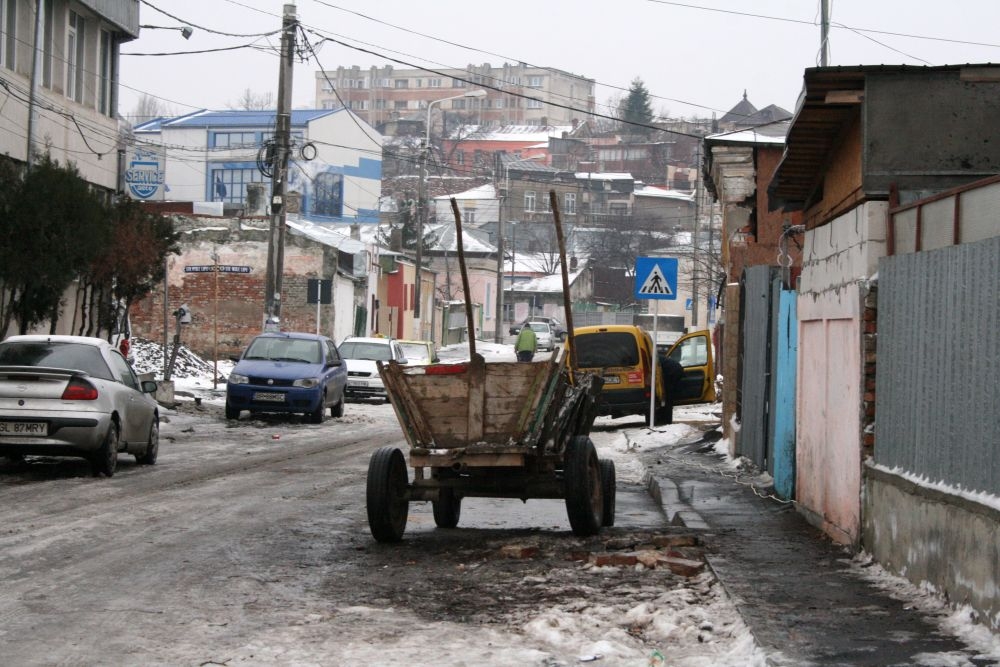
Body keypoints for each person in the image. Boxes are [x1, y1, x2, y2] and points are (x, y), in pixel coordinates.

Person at [658, 351, 684, 424]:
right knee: (668, 394)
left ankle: (667, 420)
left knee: (668, 397)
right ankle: (666, 418)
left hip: (673, 371)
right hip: (677, 369)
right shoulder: (657, 357)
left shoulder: (653, 360)